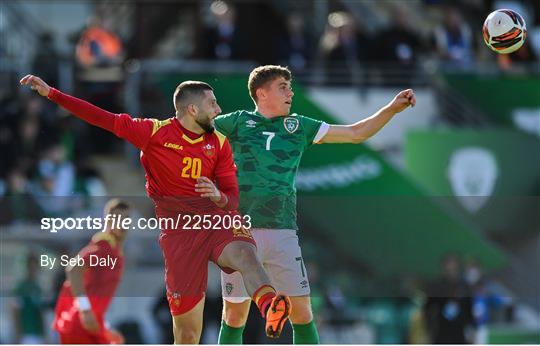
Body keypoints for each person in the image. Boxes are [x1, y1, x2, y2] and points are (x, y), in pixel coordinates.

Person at [20, 74, 291, 343]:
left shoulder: (219, 143)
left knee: (245, 252)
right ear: (192, 109)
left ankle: (270, 306)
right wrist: (53, 94)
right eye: (213, 104)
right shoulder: (154, 132)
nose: (219, 110)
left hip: (216, 221)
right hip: (179, 235)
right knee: (187, 335)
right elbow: (101, 118)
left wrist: (219, 196)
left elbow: (232, 199)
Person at [214, 65, 415, 344]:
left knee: (302, 314)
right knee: (234, 316)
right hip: (239, 233)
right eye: (283, 86)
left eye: (290, 86)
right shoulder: (236, 122)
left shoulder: (298, 126)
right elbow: (191, 133)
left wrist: (392, 109)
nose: (290, 92)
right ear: (261, 93)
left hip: (282, 231)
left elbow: (356, 133)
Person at [52, 198, 130, 344]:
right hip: (80, 327)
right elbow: (73, 269)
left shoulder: (114, 250)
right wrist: (85, 310)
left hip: (89, 325)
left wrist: (105, 330)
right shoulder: (103, 247)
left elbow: (97, 297)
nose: (122, 223)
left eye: (126, 219)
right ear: (107, 221)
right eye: (117, 218)